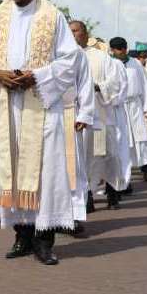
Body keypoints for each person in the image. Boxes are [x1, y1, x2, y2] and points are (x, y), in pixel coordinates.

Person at [0, 0, 79, 265]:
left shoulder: (53, 17)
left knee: (44, 173)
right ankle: (22, 235)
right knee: (12, 171)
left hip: (40, 106)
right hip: (6, 106)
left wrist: (39, 76)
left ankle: (44, 241)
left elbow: (70, 61)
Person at [80, 33, 129, 210]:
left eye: (76, 31)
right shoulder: (63, 57)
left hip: (98, 118)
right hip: (74, 121)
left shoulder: (102, 58)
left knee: (105, 157)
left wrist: (98, 87)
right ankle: (86, 198)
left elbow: (115, 84)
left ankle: (112, 193)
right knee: (81, 161)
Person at [110, 37, 147, 182]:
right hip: (119, 106)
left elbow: (144, 84)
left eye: (124, 48)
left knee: (142, 137)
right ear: (112, 50)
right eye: (118, 49)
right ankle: (125, 176)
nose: (122, 51)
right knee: (123, 141)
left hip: (135, 105)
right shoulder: (110, 64)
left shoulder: (135, 63)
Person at [66, 21, 95, 234]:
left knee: (73, 169)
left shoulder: (76, 53)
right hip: (44, 118)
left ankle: (75, 216)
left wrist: (84, 113)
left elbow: (85, 84)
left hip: (69, 115)